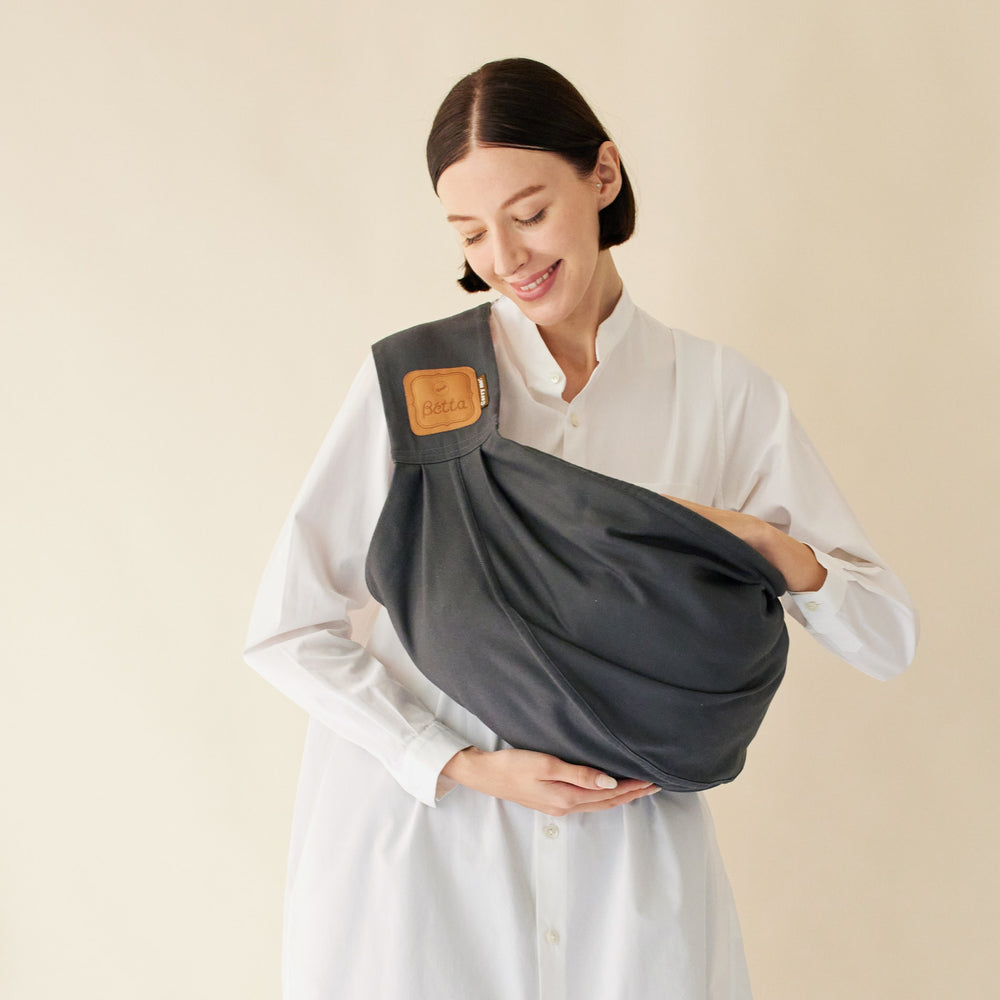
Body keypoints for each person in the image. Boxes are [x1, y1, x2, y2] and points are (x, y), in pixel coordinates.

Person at [244, 57, 918, 1000]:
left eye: (529, 213)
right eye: (470, 233)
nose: (506, 258)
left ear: (602, 175)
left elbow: (886, 637)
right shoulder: (417, 385)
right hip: (429, 859)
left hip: (626, 866)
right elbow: (287, 629)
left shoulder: (721, 396)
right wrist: (459, 764)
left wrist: (764, 545)